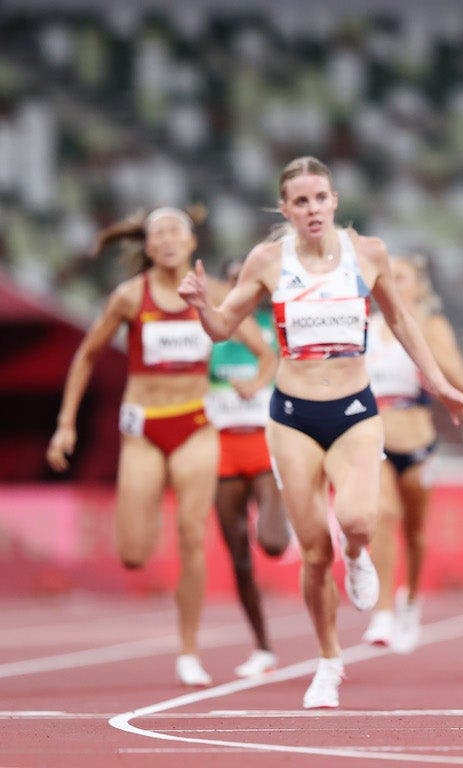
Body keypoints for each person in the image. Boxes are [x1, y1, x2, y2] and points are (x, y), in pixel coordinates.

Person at [177, 156, 463, 709]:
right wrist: (202, 306)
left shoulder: (368, 254)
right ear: (285, 209)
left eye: (320, 198)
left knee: (358, 518)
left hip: (354, 411)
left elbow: (403, 320)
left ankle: (361, 554)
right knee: (315, 553)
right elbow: (224, 326)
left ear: (335, 200)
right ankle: (328, 661)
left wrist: (438, 383)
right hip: (291, 416)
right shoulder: (269, 260)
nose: (312, 209)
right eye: (300, 201)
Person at [46, 206, 276, 688]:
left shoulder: (213, 293)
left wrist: (256, 382)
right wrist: (66, 424)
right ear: (148, 247)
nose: (168, 238)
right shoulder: (130, 297)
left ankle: (188, 652)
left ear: (192, 243)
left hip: (195, 424)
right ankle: (141, 549)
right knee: (132, 552)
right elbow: (87, 355)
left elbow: (265, 354)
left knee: (193, 536)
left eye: (177, 230)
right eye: (158, 233)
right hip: (145, 429)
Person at [361, 255, 463, 653]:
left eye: (400, 276)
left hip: (418, 440)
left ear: (418, 287)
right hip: (373, 438)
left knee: (414, 530)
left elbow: (460, 381)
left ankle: (411, 601)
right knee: (383, 516)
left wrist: (421, 338)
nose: (390, 281)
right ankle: (385, 610)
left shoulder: (432, 325)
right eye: (383, 275)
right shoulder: (364, 326)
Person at [204, 258, 291, 678]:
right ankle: (262, 646)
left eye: (250, 281)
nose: (242, 286)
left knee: (273, 543)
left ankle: (285, 508)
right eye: (234, 279)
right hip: (222, 448)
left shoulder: (276, 331)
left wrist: (259, 386)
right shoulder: (213, 334)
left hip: (265, 443)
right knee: (238, 553)